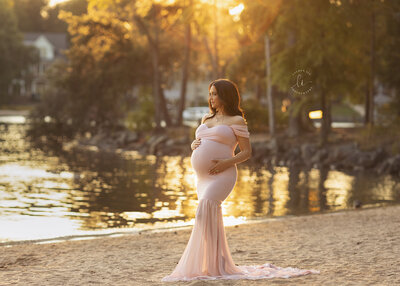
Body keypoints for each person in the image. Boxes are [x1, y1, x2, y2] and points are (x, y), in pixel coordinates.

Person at [161, 79, 320, 282]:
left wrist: (225, 163)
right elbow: (203, 141)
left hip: (223, 174)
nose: (211, 98)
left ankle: (215, 264)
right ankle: (213, 262)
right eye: (210, 93)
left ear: (226, 96)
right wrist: (194, 145)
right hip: (202, 177)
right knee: (206, 216)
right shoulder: (205, 119)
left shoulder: (237, 120)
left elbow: (246, 152)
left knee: (206, 207)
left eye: (215, 94)